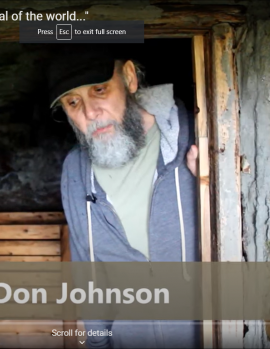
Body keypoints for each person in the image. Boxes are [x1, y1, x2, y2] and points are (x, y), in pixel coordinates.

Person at [49, 47, 201, 348]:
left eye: (100, 90)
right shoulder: (75, 171)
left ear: (129, 78)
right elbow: (89, 276)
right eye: (73, 102)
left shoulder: (200, 137)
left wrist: (210, 182)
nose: (90, 112)